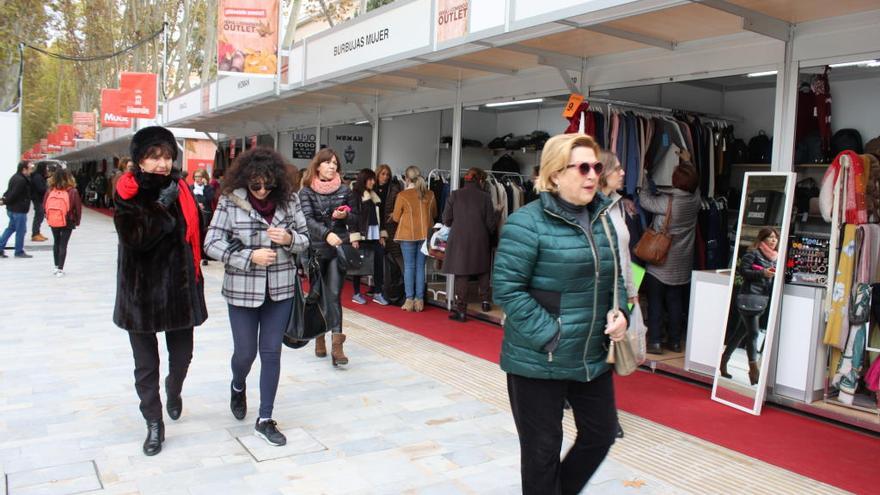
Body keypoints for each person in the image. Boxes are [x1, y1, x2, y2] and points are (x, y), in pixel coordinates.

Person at [493, 133, 629, 495]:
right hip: (540, 359)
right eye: (583, 167)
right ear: (555, 174)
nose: (592, 175)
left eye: (597, 167)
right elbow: (507, 289)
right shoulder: (527, 223)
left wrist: (622, 313)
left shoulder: (602, 219)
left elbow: (616, 278)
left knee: (600, 434)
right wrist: (552, 334)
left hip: (591, 356)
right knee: (541, 453)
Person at [113, 126, 208, 456]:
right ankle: (154, 422)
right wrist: (159, 208)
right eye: (155, 157)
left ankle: (174, 387)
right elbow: (136, 239)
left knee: (182, 358)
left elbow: (195, 233)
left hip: (179, 290)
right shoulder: (127, 192)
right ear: (139, 160)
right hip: (140, 295)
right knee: (146, 365)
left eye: (167, 156)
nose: (162, 163)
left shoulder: (180, 189)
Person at [204, 147, 309, 446]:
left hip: (281, 289)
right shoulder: (230, 200)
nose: (262, 190)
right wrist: (248, 256)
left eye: (268, 184)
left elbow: (304, 240)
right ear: (246, 180)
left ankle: (265, 418)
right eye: (256, 185)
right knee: (245, 353)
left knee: (271, 352)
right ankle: (238, 385)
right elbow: (210, 242)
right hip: (242, 290)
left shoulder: (289, 201)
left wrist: (289, 239)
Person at [299, 148, 357, 366]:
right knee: (315, 294)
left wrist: (346, 215)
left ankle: (337, 346)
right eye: (328, 162)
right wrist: (327, 233)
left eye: (335, 163)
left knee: (333, 295)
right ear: (318, 166)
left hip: (337, 249)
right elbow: (307, 219)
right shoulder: (306, 192)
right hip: (315, 250)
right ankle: (318, 337)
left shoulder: (345, 190)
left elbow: (357, 217)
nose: (332, 166)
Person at [638, 156, 701, 355]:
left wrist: (646, 178)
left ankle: (655, 341)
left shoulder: (668, 202)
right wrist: (689, 162)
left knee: (656, 301)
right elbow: (695, 185)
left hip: (660, 260)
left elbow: (645, 200)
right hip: (682, 262)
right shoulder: (696, 199)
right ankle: (674, 342)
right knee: (675, 301)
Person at [720, 227, 778, 385]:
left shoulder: (775, 257)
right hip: (749, 297)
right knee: (753, 333)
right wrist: (762, 273)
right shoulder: (753, 252)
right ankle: (754, 371)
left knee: (740, 333)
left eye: (775, 238)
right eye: (770, 238)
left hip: (762, 299)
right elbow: (742, 271)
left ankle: (723, 361)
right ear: (762, 239)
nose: (773, 240)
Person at [442, 167, 496, 322]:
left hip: (459, 239)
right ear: (480, 180)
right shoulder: (485, 197)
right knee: (483, 269)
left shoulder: (455, 195)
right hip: (480, 238)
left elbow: (447, 219)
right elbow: (491, 224)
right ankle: (485, 301)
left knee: (462, 273)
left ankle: (461, 311)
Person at [391, 165, 437, 312]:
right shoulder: (430, 194)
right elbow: (434, 214)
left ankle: (409, 300)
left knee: (409, 267)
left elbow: (397, 217)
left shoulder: (403, 195)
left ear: (406, 179)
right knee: (420, 267)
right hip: (425, 235)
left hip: (407, 235)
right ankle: (420, 301)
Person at [599, 152, 638, 308]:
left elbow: (625, 252)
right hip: (602, 295)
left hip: (620, 292)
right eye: (617, 169)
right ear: (603, 173)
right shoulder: (589, 208)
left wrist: (631, 290)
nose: (623, 172)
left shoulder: (618, 205)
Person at [348, 168, 390, 306]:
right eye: (370, 179)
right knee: (358, 264)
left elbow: (381, 217)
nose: (373, 181)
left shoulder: (374, 195)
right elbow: (352, 217)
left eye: (373, 179)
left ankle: (378, 292)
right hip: (362, 234)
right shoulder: (355, 195)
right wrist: (354, 237)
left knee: (378, 263)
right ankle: (356, 293)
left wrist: (382, 234)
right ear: (364, 180)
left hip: (374, 234)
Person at [44, 167, 82, 277]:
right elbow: (77, 207)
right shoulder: (73, 191)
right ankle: (60, 269)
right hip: (68, 220)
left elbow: (44, 205)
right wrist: (77, 221)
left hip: (54, 219)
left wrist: (48, 217)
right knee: (63, 244)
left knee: (56, 241)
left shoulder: (50, 190)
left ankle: (56, 266)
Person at [0, 161, 33, 258]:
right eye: (30, 168)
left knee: (10, 228)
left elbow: (9, 191)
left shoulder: (15, 177)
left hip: (12, 209)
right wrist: (4, 201)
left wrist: (4, 199)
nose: (31, 171)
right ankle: (19, 251)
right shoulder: (21, 180)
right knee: (21, 231)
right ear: (24, 169)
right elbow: (14, 194)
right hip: (18, 210)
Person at [191, 169, 216, 265]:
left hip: (206, 215)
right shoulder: (191, 187)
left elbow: (210, 198)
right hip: (195, 214)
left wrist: (205, 187)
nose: (198, 179)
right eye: (196, 176)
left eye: (200, 176)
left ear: (204, 177)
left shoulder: (208, 188)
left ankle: (205, 256)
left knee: (205, 235)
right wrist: (196, 205)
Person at [30, 162, 49, 242]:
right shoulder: (37, 177)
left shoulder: (39, 176)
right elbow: (40, 189)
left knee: (40, 216)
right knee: (39, 216)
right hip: (37, 199)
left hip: (39, 199)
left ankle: (37, 232)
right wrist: (47, 188)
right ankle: (35, 234)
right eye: (46, 168)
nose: (47, 169)